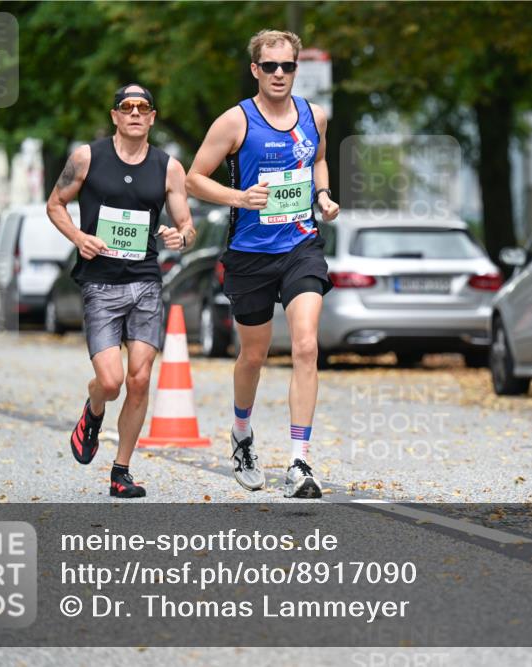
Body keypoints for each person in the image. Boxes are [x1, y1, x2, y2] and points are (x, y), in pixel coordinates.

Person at [186, 29, 339, 498]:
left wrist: (323, 195)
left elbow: (317, 161)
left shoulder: (316, 115)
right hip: (250, 253)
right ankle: (241, 433)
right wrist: (240, 197)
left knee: (307, 345)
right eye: (269, 66)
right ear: (255, 70)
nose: (279, 74)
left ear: (296, 69)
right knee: (254, 353)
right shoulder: (235, 122)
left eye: (287, 66)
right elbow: (193, 179)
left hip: (300, 247)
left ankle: (299, 461)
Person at [46, 84, 196, 498]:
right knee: (111, 382)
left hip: (146, 280)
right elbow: (55, 204)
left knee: (141, 378)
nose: (134, 113)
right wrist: (79, 237)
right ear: (115, 116)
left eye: (142, 107)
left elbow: (187, 227)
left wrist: (178, 236)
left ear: (152, 117)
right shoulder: (87, 157)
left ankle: (121, 471)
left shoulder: (169, 167)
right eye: (126, 107)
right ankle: (93, 412)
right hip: (100, 281)